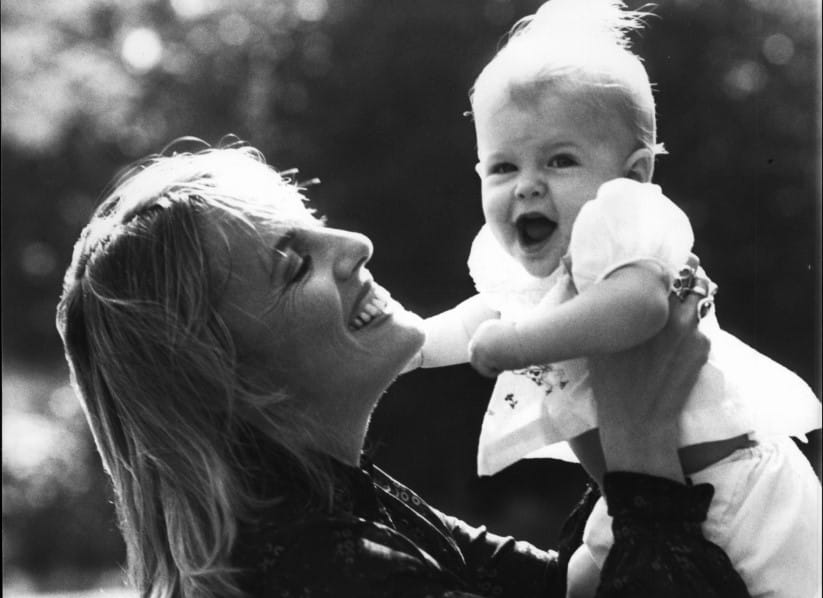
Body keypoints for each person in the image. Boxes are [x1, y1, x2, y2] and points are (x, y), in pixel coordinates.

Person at [55, 141, 753, 597]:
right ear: (226, 375)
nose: (355, 242)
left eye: (313, 217)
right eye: (293, 264)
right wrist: (642, 451)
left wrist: (594, 394)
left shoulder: (336, 510)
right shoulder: (336, 573)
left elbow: (569, 588)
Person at [402, 1, 822, 597]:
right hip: (634, 493)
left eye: (560, 160)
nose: (527, 183)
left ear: (636, 172)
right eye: (502, 166)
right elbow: (484, 317)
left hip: (737, 488)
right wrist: (413, 345)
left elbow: (638, 309)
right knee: (578, 584)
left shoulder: (625, 222)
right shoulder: (527, 265)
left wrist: (519, 344)